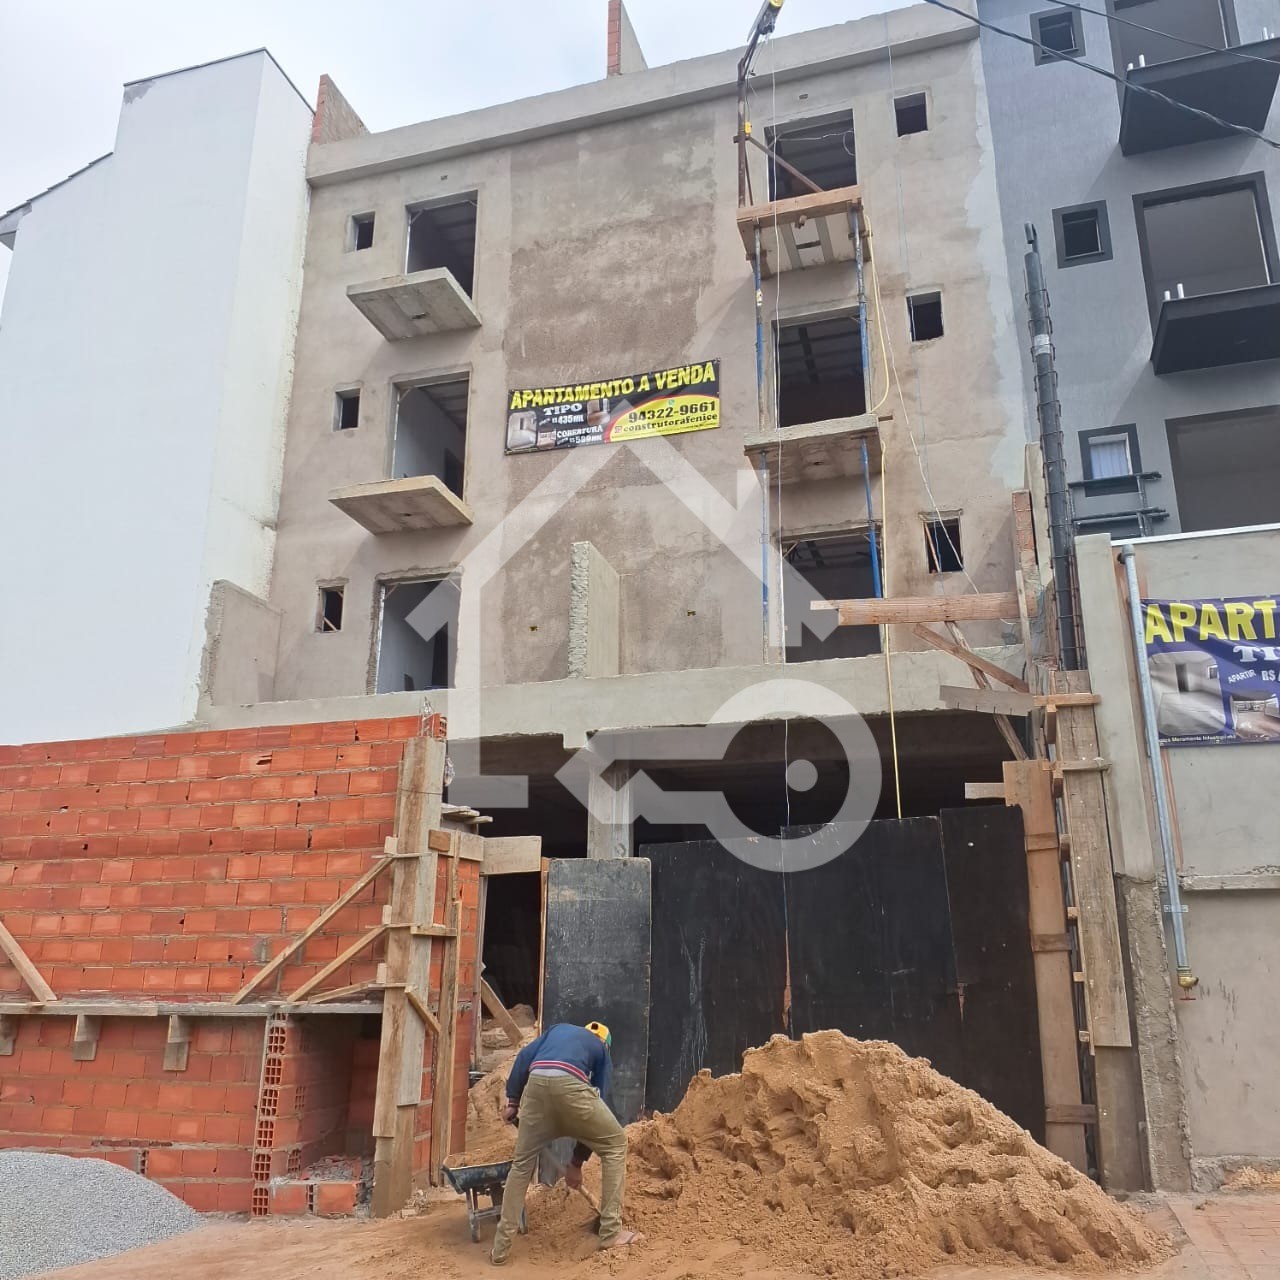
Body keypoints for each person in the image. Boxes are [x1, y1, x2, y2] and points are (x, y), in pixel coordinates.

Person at [489, 1019, 641, 1266]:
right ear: (606, 1043)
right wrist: (576, 1162)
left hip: (536, 1089)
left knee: (522, 1166)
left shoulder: (556, 1031)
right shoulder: (601, 1048)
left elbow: (523, 1058)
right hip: (572, 1091)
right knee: (615, 1144)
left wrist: (513, 1102)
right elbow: (600, 1100)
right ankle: (611, 1233)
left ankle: (500, 1250)